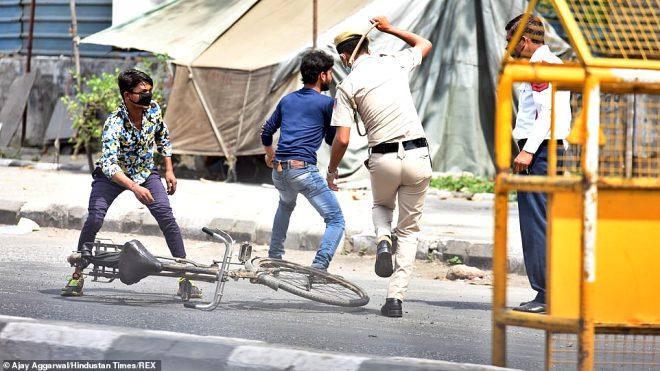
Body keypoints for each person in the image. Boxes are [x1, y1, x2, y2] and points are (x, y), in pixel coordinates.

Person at [61, 69, 201, 299]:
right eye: (142, 92)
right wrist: (134, 187)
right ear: (128, 95)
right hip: (114, 177)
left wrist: (169, 170)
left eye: (150, 91)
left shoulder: (153, 110)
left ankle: (185, 278)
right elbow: (109, 164)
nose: (148, 96)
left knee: (166, 217)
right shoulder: (114, 123)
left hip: (145, 172)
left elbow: (162, 137)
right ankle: (77, 277)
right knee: (95, 217)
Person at [327, 16, 433, 318]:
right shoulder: (394, 62)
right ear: (367, 46)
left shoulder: (346, 86)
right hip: (417, 155)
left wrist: (332, 171)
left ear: (345, 56)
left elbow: (343, 139)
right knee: (410, 231)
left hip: (382, 159)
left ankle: (383, 237)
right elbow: (423, 44)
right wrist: (390, 29)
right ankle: (395, 300)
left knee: (381, 206)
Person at [505, 14, 571, 313]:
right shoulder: (547, 64)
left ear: (526, 41)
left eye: (511, 41)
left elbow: (546, 113)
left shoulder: (542, 66)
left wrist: (528, 150)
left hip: (542, 151)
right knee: (543, 221)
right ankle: (550, 292)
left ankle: (546, 294)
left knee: (536, 225)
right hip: (546, 150)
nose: (510, 48)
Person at [261, 50, 344, 271]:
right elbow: (330, 140)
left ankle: (274, 257)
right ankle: (319, 266)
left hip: (279, 171)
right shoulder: (327, 104)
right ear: (322, 75)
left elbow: (266, 132)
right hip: (303, 170)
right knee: (336, 220)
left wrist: (270, 155)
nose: (330, 78)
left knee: (285, 204)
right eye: (330, 73)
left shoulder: (287, 100)